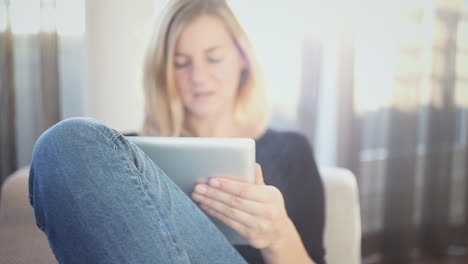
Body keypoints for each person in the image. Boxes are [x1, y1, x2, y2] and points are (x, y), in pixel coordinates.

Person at [28, 0, 325, 263]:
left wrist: (278, 236)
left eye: (214, 58)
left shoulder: (292, 151)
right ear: (162, 74)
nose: (198, 77)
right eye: (181, 63)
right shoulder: (121, 156)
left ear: (242, 61)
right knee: (65, 145)